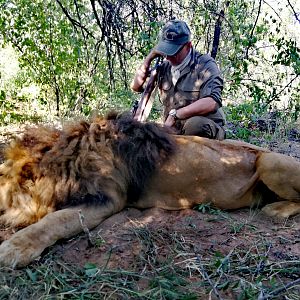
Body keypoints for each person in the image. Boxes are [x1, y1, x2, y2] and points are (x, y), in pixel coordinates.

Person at [131, 19, 226, 140]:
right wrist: (150, 57)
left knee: (195, 125)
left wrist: (176, 114)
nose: (169, 56)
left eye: (174, 51)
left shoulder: (205, 64)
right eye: (166, 50)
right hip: (174, 130)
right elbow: (136, 86)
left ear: (188, 46)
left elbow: (212, 102)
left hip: (205, 127)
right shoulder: (164, 67)